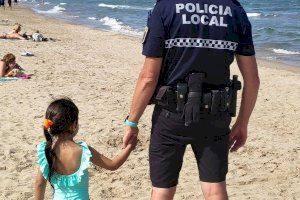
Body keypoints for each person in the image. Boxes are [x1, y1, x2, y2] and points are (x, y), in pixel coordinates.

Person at [123, 0, 260, 199]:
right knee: (215, 189)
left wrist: (132, 121)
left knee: (162, 189)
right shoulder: (234, 10)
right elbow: (253, 80)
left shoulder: (165, 8)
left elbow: (148, 78)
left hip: (170, 115)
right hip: (215, 115)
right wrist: (242, 122)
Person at [34, 98, 137, 200]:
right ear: (73, 125)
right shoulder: (83, 150)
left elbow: (39, 185)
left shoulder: (46, 151)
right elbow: (113, 165)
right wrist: (129, 147)